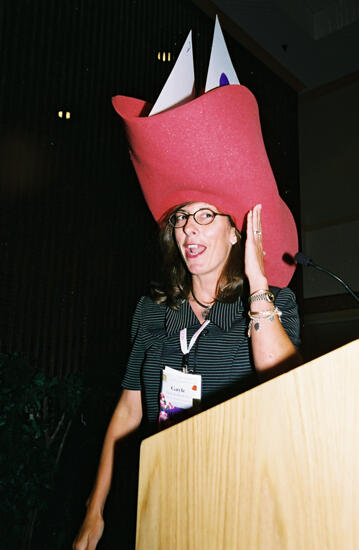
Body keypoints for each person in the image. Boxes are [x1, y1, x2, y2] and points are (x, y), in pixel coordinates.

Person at [74, 19, 301, 550]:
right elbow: (129, 408)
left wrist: (259, 285)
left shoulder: (269, 305)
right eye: (181, 219)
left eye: (204, 217)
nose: (187, 230)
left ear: (233, 229)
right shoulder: (153, 312)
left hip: (241, 504)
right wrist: (95, 510)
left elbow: (283, 377)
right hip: (159, 500)